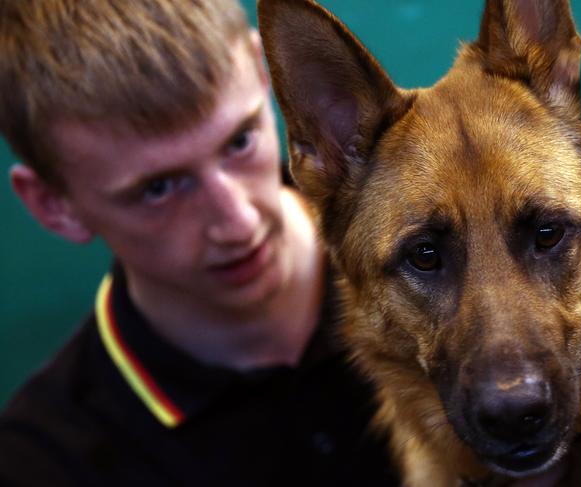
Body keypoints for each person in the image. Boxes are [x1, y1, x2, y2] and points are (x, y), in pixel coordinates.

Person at [0, 1, 398, 485]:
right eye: (158, 189)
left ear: (263, 70)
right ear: (53, 205)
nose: (239, 221)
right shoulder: (43, 464)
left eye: (239, 141)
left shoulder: (455, 269)